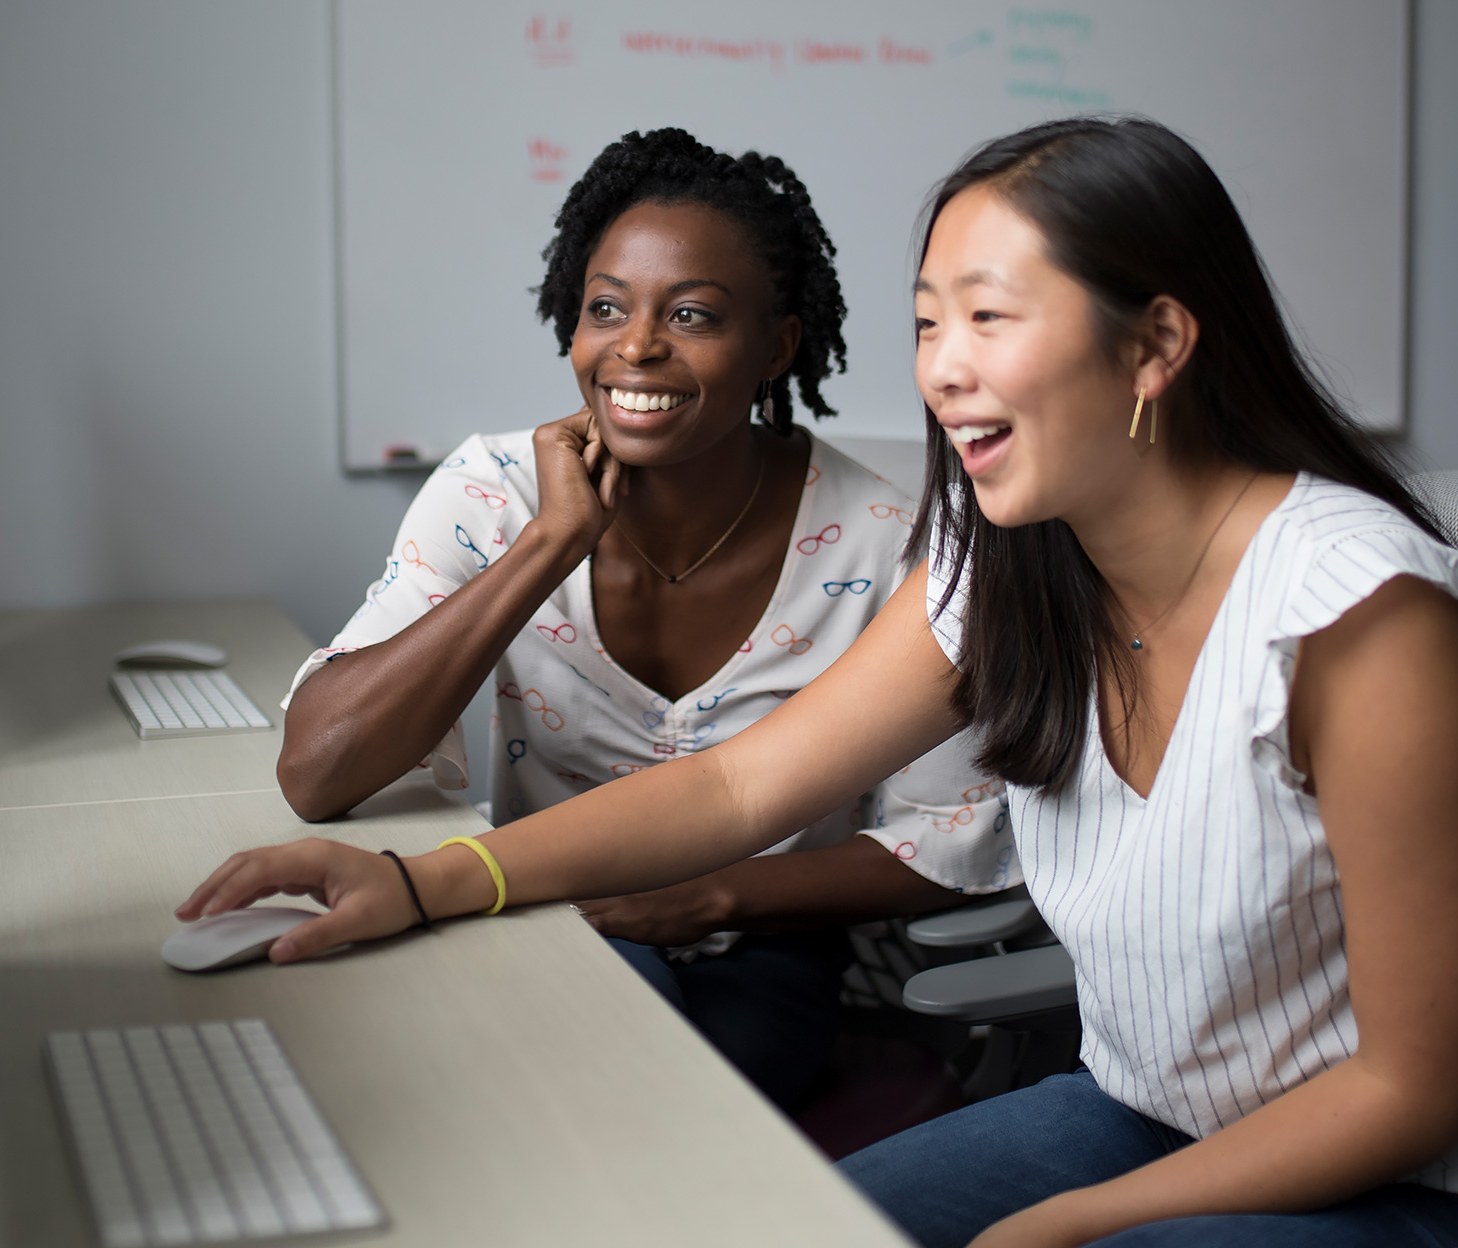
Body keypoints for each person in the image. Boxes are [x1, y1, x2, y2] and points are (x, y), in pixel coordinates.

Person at [184, 114, 1458, 1244]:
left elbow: (1410, 1090)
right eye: (926, 322)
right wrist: (421, 885)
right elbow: (743, 785)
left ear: (1154, 345)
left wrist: (1071, 1221)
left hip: (1386, 1174)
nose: (943, 369)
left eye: (990, 319)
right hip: (1134, 1113)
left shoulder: (1357, 615)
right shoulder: (1007, 556)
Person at [274, 128, 1016, 1111]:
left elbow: (944, 842)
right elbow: (319, 770)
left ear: (777, 348)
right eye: (607, 309)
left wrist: (711, 896)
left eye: (694, 314)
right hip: (524, 906)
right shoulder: (492, 496)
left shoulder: (888, 546)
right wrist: (549, 546)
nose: (636, 346)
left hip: (764, 948)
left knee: (650, 1108)